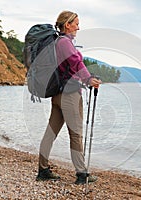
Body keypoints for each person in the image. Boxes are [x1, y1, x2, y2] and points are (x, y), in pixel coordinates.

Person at [36, 10, 102, 184]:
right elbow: (75, 62)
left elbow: (71, 66)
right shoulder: (65, 42)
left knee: (50, 132)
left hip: (57, 95)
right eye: (76, 24)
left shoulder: (57, 42)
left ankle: (42, 170)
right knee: (76, 134)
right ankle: (81, 174)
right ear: (67, 25)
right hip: (70, 95)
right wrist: (88, 79)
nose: (78, 27)